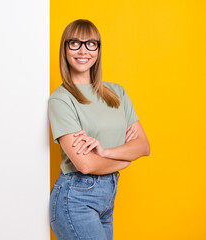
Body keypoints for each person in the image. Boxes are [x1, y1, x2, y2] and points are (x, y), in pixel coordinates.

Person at [48, 19, 150, 240]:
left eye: (91, 43)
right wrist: (124, 157)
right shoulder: (61, 99)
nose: (83, 50)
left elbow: (143, 146)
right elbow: (85, 165)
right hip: (75, 199)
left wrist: (106, 152)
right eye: (74, 43)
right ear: (65, 48)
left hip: (107, 199)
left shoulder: (116, 93)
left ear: (98, 49)